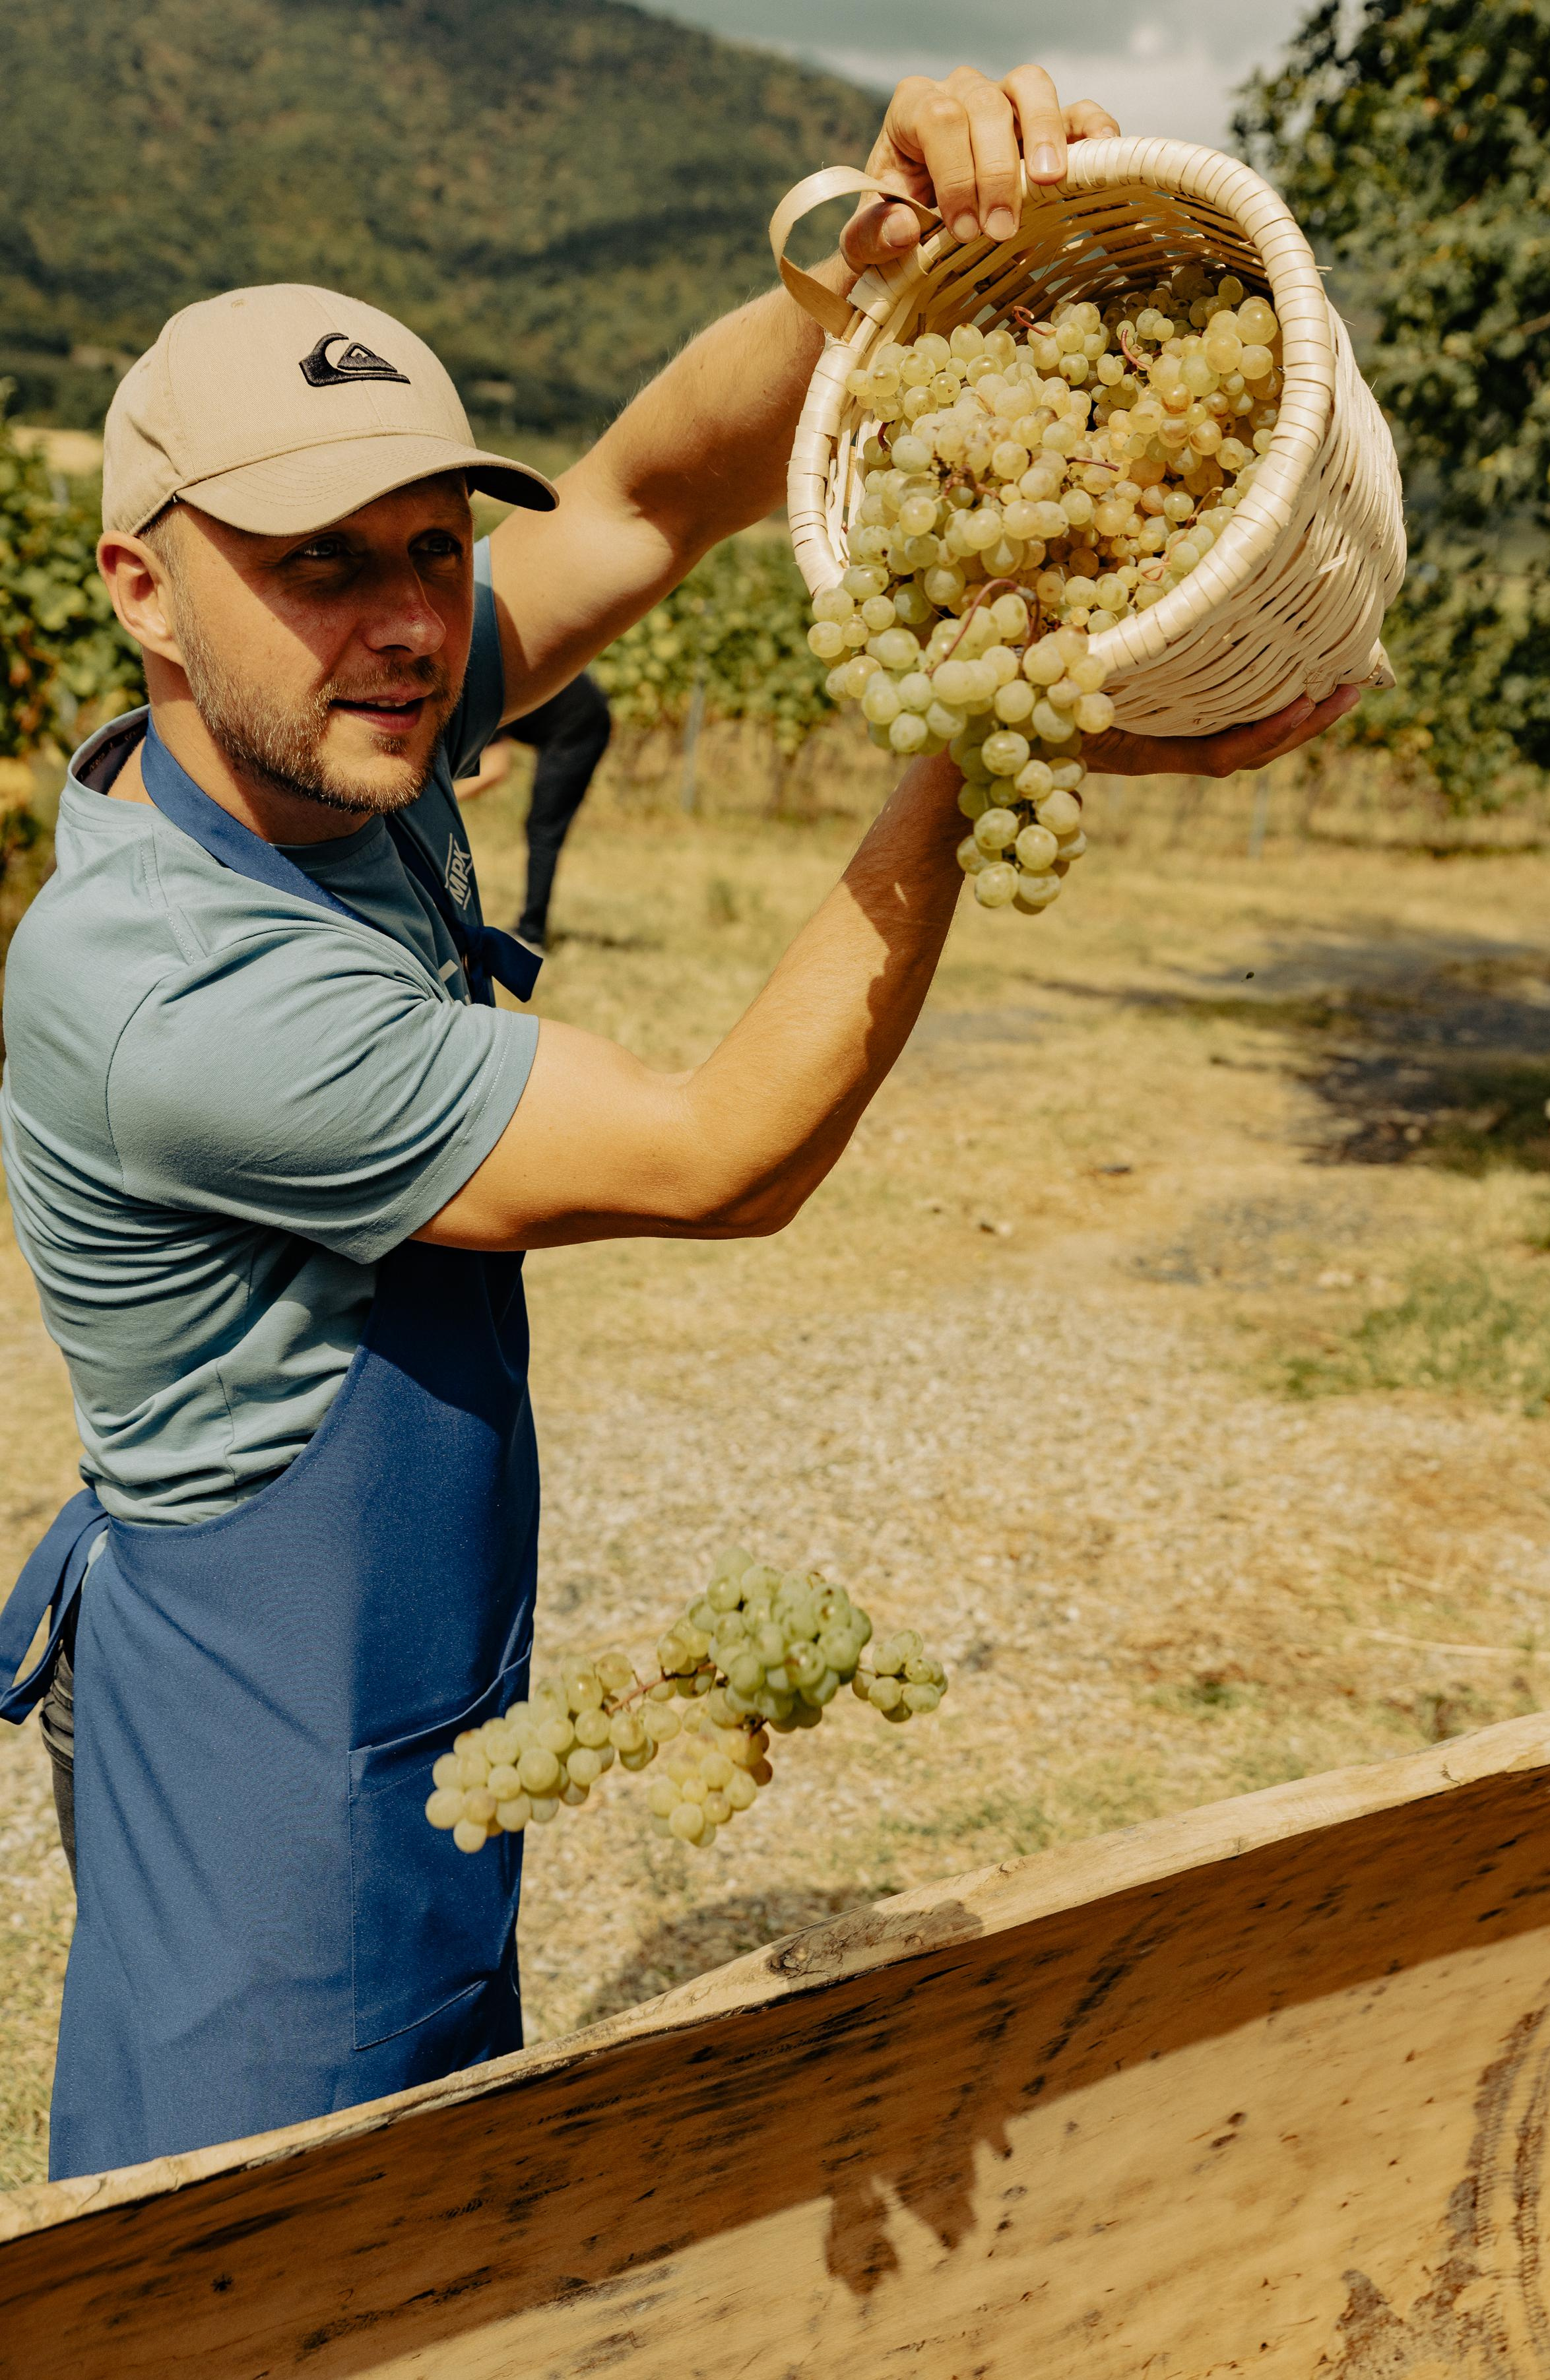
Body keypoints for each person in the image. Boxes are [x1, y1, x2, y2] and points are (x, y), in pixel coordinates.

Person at [0, 64, 1358, 2184]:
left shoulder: (313, 734)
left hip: (382, 1699)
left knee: (451, 2197)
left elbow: (642, 496)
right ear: (144, 592)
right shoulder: (179, 1000)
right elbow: (729, 1145)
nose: (407, 616)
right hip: (270, 1783)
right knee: (263, 2247)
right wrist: (989, 723)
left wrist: (872, 272)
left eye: (437, 548)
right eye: (317, 559)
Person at [452, 672, 612, 952]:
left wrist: (438, 798)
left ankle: (531, 934)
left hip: (580, 727)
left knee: (544, 830)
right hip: (566, 717)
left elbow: (494, 770)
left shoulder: (475, 686)